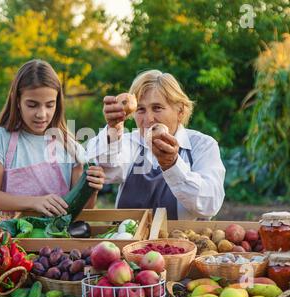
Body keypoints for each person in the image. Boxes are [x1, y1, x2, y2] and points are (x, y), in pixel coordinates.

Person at [87, 70, 225, 220]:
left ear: (180, 110)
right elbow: (103, 167)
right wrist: (113, 130)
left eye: (157, 108)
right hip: (126, 241)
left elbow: (210, 204)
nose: (149, 119)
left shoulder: (203, 146)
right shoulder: (130, 142)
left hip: (184, 241)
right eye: (141, 109)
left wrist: (172, 165)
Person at [0, 59, 105, 216]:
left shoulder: (70, 148)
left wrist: (93, 189)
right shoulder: (0, 140)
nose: (41, 114)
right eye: (32, 105)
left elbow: (83, 210)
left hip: (59, 239)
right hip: (12, 238)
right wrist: (34, 202)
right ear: (17, 101)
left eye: (50, 105)